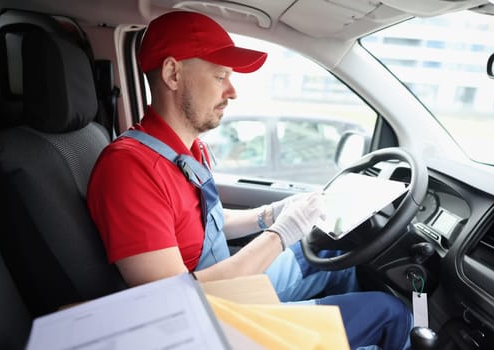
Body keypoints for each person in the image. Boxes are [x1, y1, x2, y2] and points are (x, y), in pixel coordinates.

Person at [87, 11, 412, 350]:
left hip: (226, 285)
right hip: (210, 321)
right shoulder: (129, 169)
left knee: (332, 255)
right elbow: (172, 303)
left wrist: (270, 214)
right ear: (172, 73)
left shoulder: (189, 149)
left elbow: (206, 222)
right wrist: (279, 234)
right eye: (220, 76)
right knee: (391, 314)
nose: (232, 91)